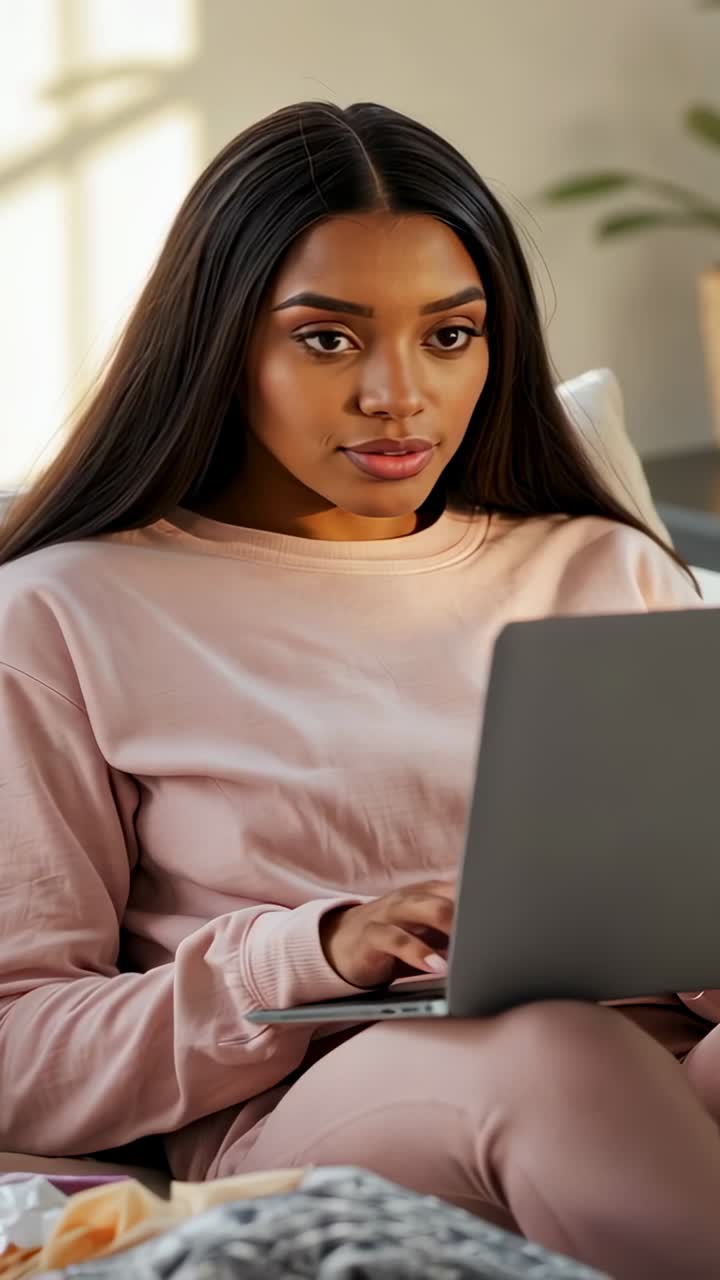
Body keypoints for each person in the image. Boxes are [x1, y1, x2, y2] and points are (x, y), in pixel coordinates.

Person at [1, 99, 720, 1280]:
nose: (398, 393)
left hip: (672, 1059)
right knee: (553, 1047)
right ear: (221, 341)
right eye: (329, 338)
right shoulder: (60, 612)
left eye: (449, 336)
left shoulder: (606, 565)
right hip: (329, 1100)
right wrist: (319, 949)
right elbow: (18, 1045)